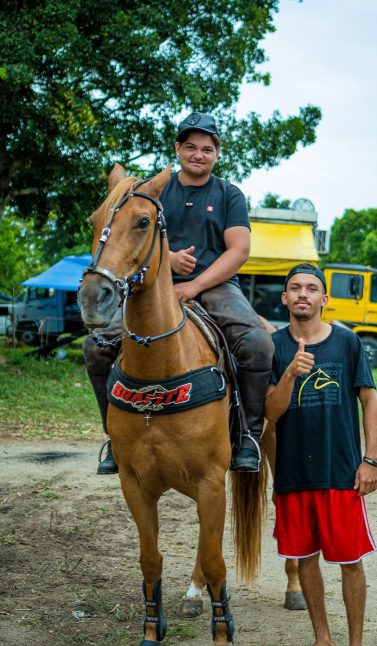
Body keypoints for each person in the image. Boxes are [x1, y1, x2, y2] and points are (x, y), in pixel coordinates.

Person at [83, 112, 273, 474]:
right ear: (178, 149)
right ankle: (113, 436)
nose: (198, 154)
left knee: (258, 344)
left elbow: (239, 250)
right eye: (190, 147)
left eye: (207, 148)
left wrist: (195, 285)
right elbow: (131, 233)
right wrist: (167, 260)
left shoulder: (230, 195)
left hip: (216, 287)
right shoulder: (156, 189)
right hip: (154, 288)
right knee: (96, 347)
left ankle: (247, 435)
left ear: (217, 153)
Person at [264, 263, 377, 646]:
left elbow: (369, 401)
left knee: (351, 561)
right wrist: (292, 374)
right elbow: (271, 413)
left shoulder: (347, 342)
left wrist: (370, 461)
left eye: (311, 289)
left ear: (324, 298)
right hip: (295, 474)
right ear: (284, 299)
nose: (302, 295)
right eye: (294, 288)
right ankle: (323, 641)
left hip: (340, 473)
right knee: (305, 558)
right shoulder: (274, 346)